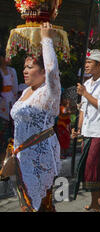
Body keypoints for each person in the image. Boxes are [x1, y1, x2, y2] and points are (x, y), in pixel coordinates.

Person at [9, 23, 61, 212]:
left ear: (42, 72)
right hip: (22, 157)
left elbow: (53, 69)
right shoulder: (25, 92)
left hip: (41, 159)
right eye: (24, 67)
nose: (24, 71)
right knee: (29, 205)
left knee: (38, 206)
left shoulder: (49, 92)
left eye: (30, 67)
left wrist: (46, 40)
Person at [72, 49, 100, 212]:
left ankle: (95, 203)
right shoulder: (87, 83)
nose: (86, 65)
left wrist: (85, 93)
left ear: (98, 65)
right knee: (94, 166)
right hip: (88, 130)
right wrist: (78, 128)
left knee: (91, 167)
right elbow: (83, 109)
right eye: (86, 62)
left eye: (89, 62)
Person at [0, 48, 18, 161]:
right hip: (1, 103)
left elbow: (15, 88)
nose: (9, 58)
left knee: (8, 136)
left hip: (11, 102)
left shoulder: (12, 71)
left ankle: (6, 163)